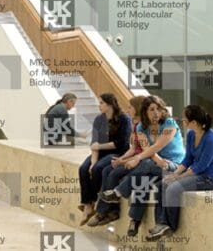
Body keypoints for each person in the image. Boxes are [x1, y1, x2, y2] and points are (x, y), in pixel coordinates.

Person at [96, 95, 185, 238]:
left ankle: (119, 194)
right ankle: (139, 221)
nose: (156, 113)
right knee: (142, 180)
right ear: (144, 112)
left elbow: (157, 145)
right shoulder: (141, 127)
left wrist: (138, 158)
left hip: (175, 165)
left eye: (159, 109)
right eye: (151, 110)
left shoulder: (170, 124)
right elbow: (147, 149)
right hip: (156, 164)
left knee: (145, 164)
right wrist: (156, 160)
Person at [145, 105, 213, 241]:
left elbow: (201, 166)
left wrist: (178, 177)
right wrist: (175, 174)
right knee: (161, 184)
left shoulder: (212, 139)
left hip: (208, 178)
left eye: (185, 119)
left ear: (194, 122)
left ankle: (170, 226)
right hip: (195, 173)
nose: (182, 121)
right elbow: (188, 159)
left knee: (174, 188)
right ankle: (161, 223)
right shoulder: (191, 134)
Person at [87, 95, 147, 228]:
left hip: (142, 160)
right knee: (106, 169)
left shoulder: (141, 125)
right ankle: (111, 210)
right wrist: (121, 159)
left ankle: (102, 211)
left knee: (112, 172)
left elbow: (145, 152)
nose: (128, 109)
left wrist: (125, 159)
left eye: (130, 107)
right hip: (132, 156)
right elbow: (134, 148)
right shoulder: (136, 124)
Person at [78, 93, 131, 225]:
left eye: (101, 103)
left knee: (98, 169)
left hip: (118, 152)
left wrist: (99, 148)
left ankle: (92, 200)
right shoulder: (99, 119)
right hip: (100, 152)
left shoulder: (124, 119)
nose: (99, 105)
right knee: (84, 168)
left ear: (110, 104)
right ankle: (87, 204)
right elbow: (94, 143)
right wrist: (93, 162)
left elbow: (121, 143)